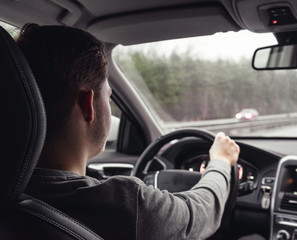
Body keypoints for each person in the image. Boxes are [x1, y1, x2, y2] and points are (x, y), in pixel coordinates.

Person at [18, 23, 240, 239]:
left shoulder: (12, 191)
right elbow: (200, 214)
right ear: (88, 104)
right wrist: (221, 162)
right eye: (109, 95)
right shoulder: (126, 205)